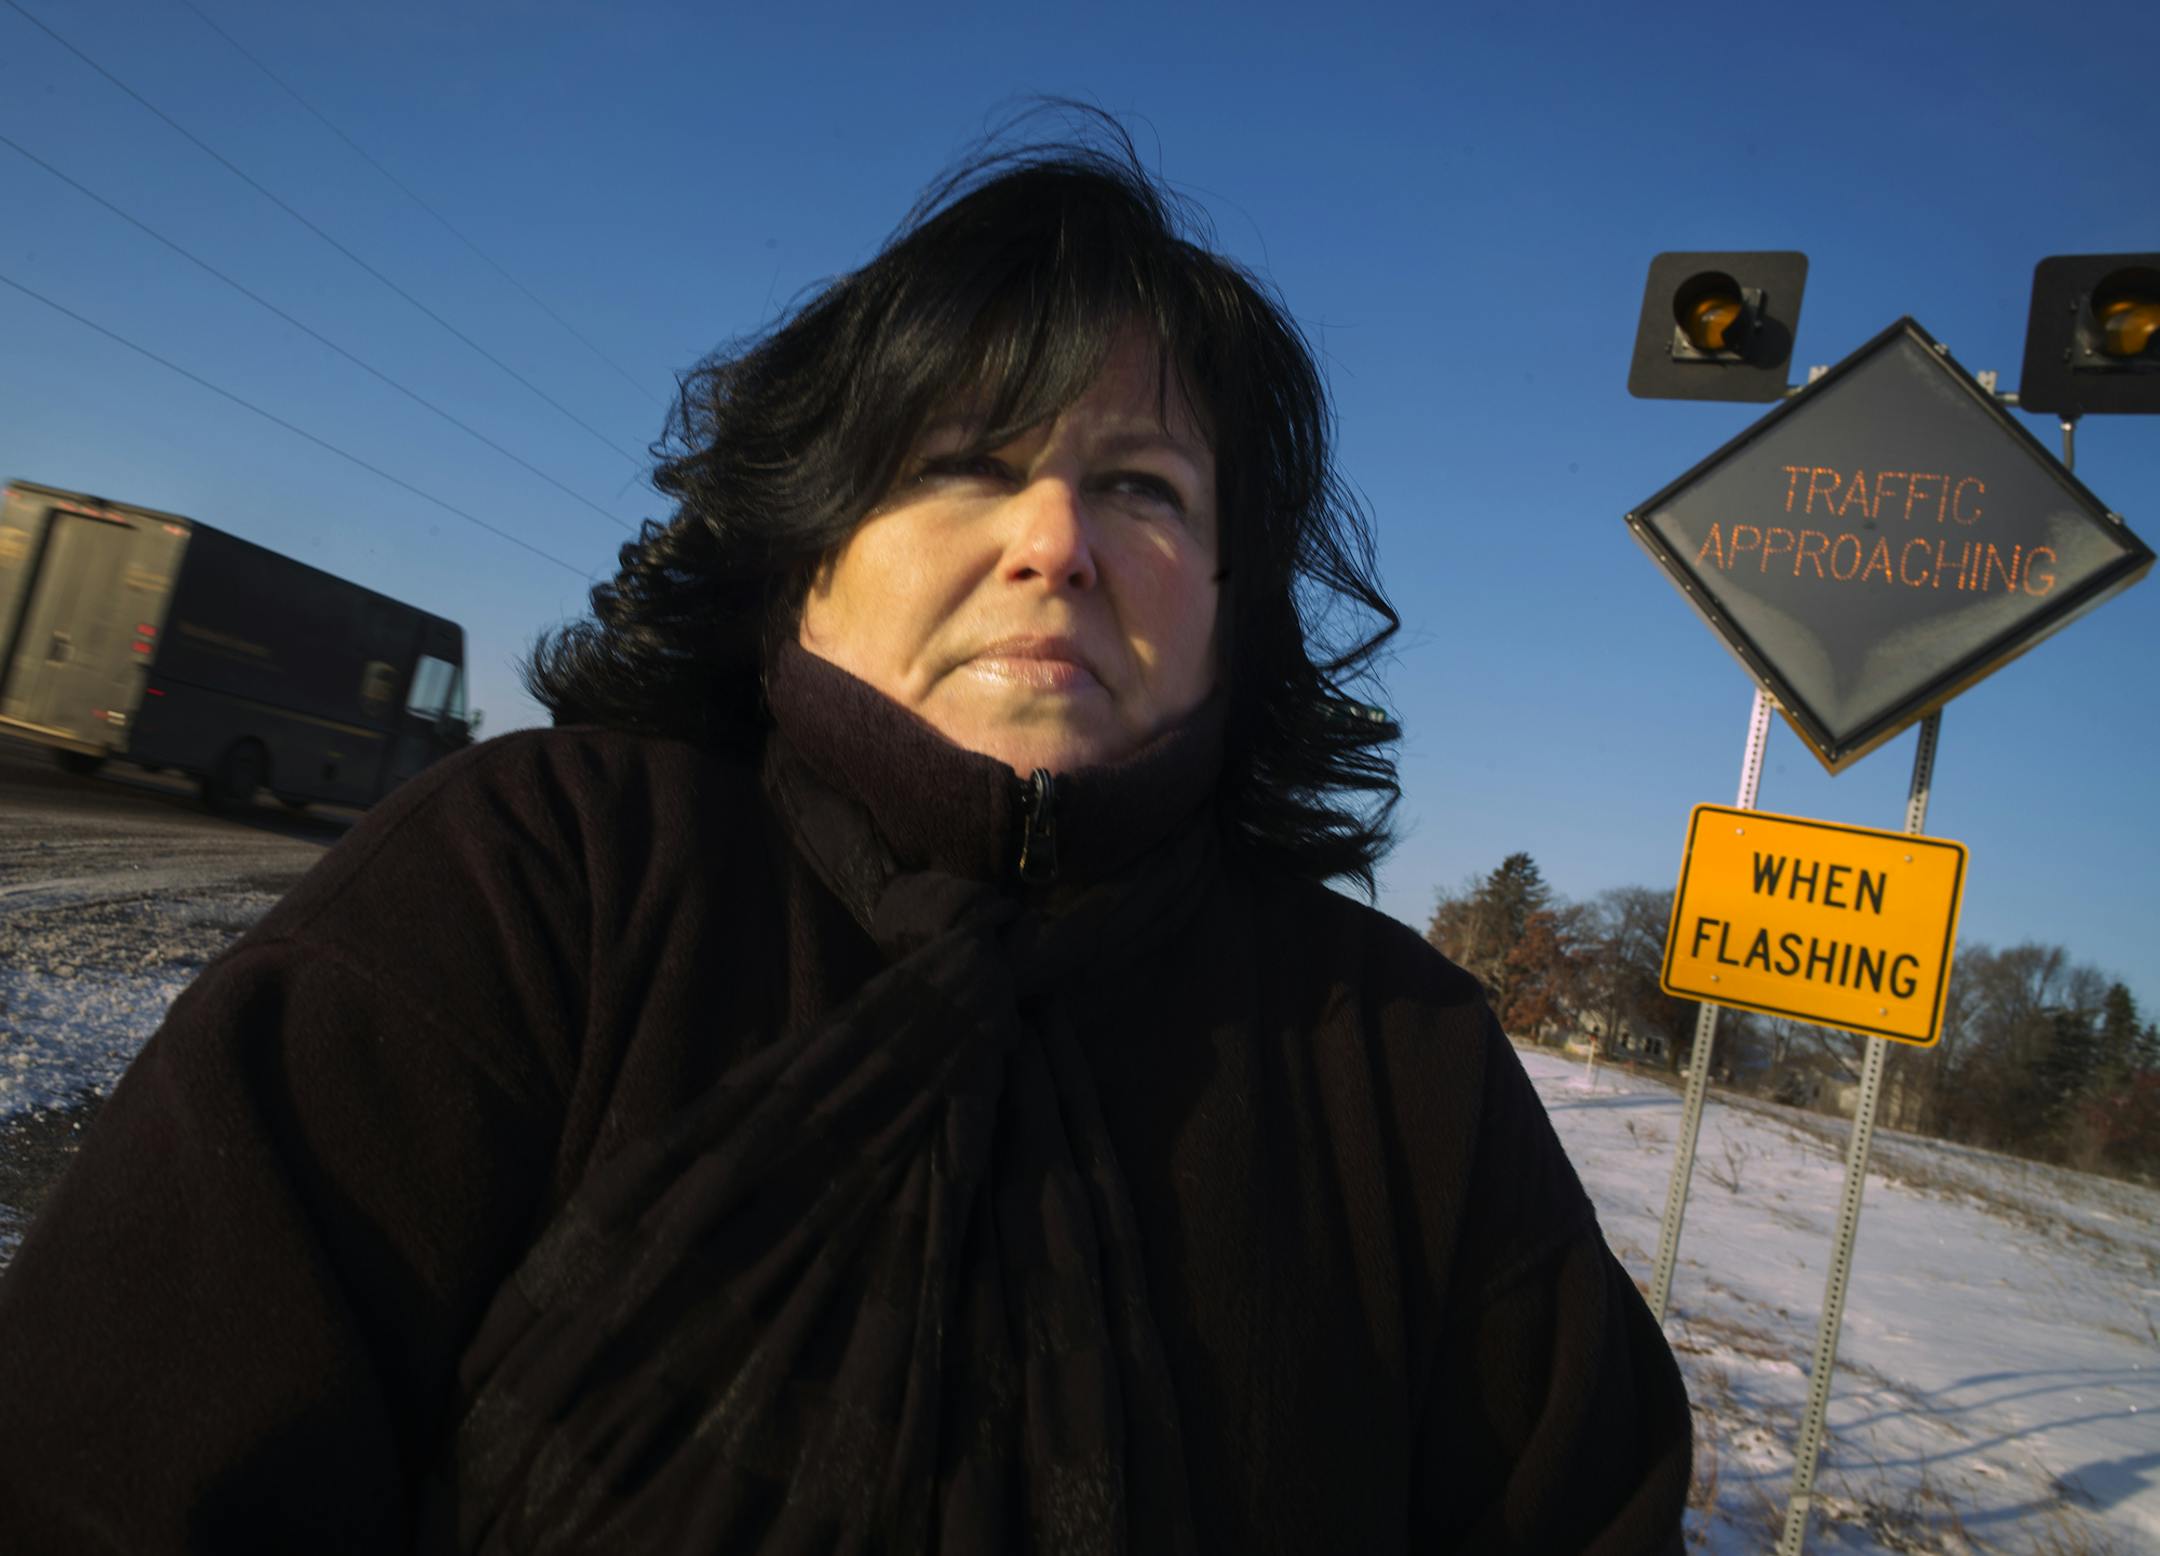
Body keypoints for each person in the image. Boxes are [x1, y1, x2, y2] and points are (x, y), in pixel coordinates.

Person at [0, 117, 1691, 1553]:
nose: (1056, 540)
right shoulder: (543, 880)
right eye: (965, 461)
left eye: (1147, 488)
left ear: (1231, 611)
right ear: (803, 554)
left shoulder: (1398, 1064)